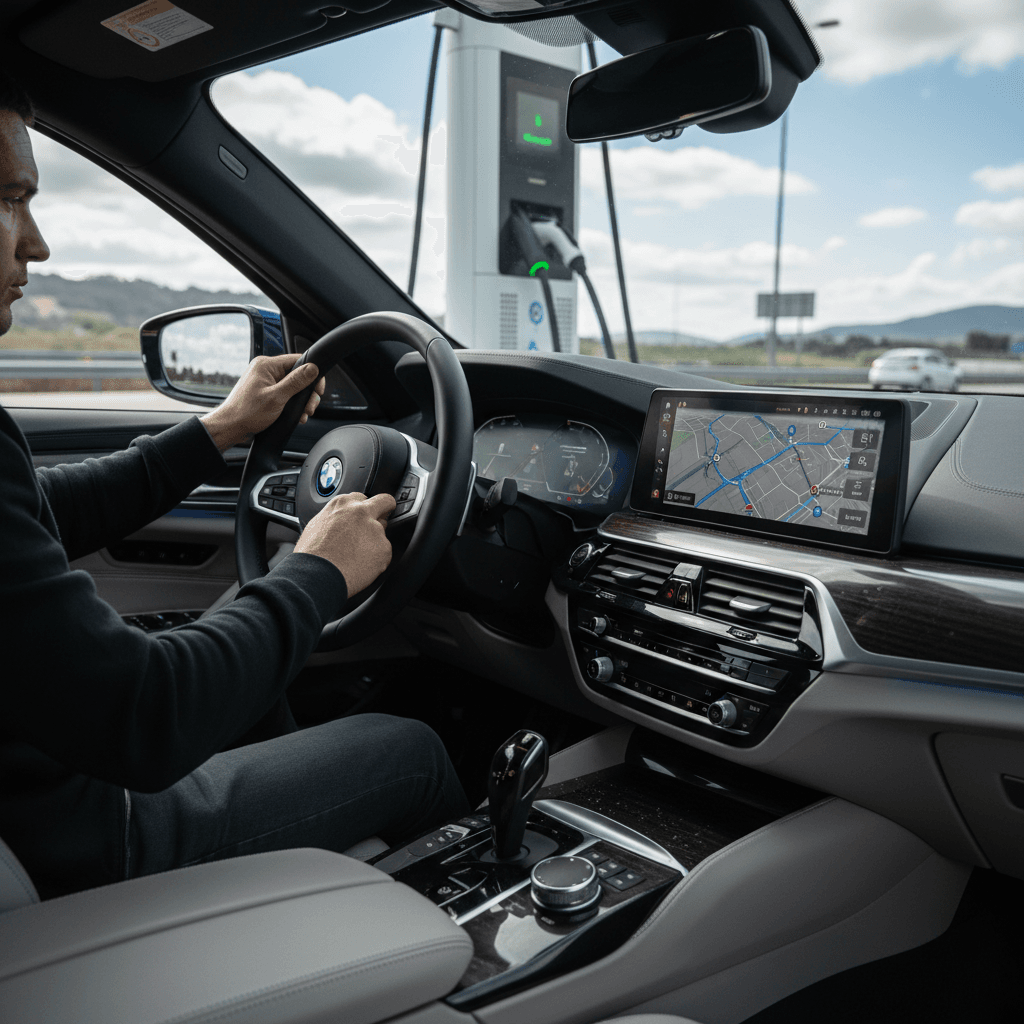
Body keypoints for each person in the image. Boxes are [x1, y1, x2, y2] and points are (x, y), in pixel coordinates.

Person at [0, 74, 468, 900]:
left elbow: (40, 512)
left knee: (233, 650)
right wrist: (318, 570)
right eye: (9, 201)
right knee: (413, 751)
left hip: (34, 805)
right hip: (80, 839)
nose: (35, 245)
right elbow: (145, 715)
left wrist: (217, 430)